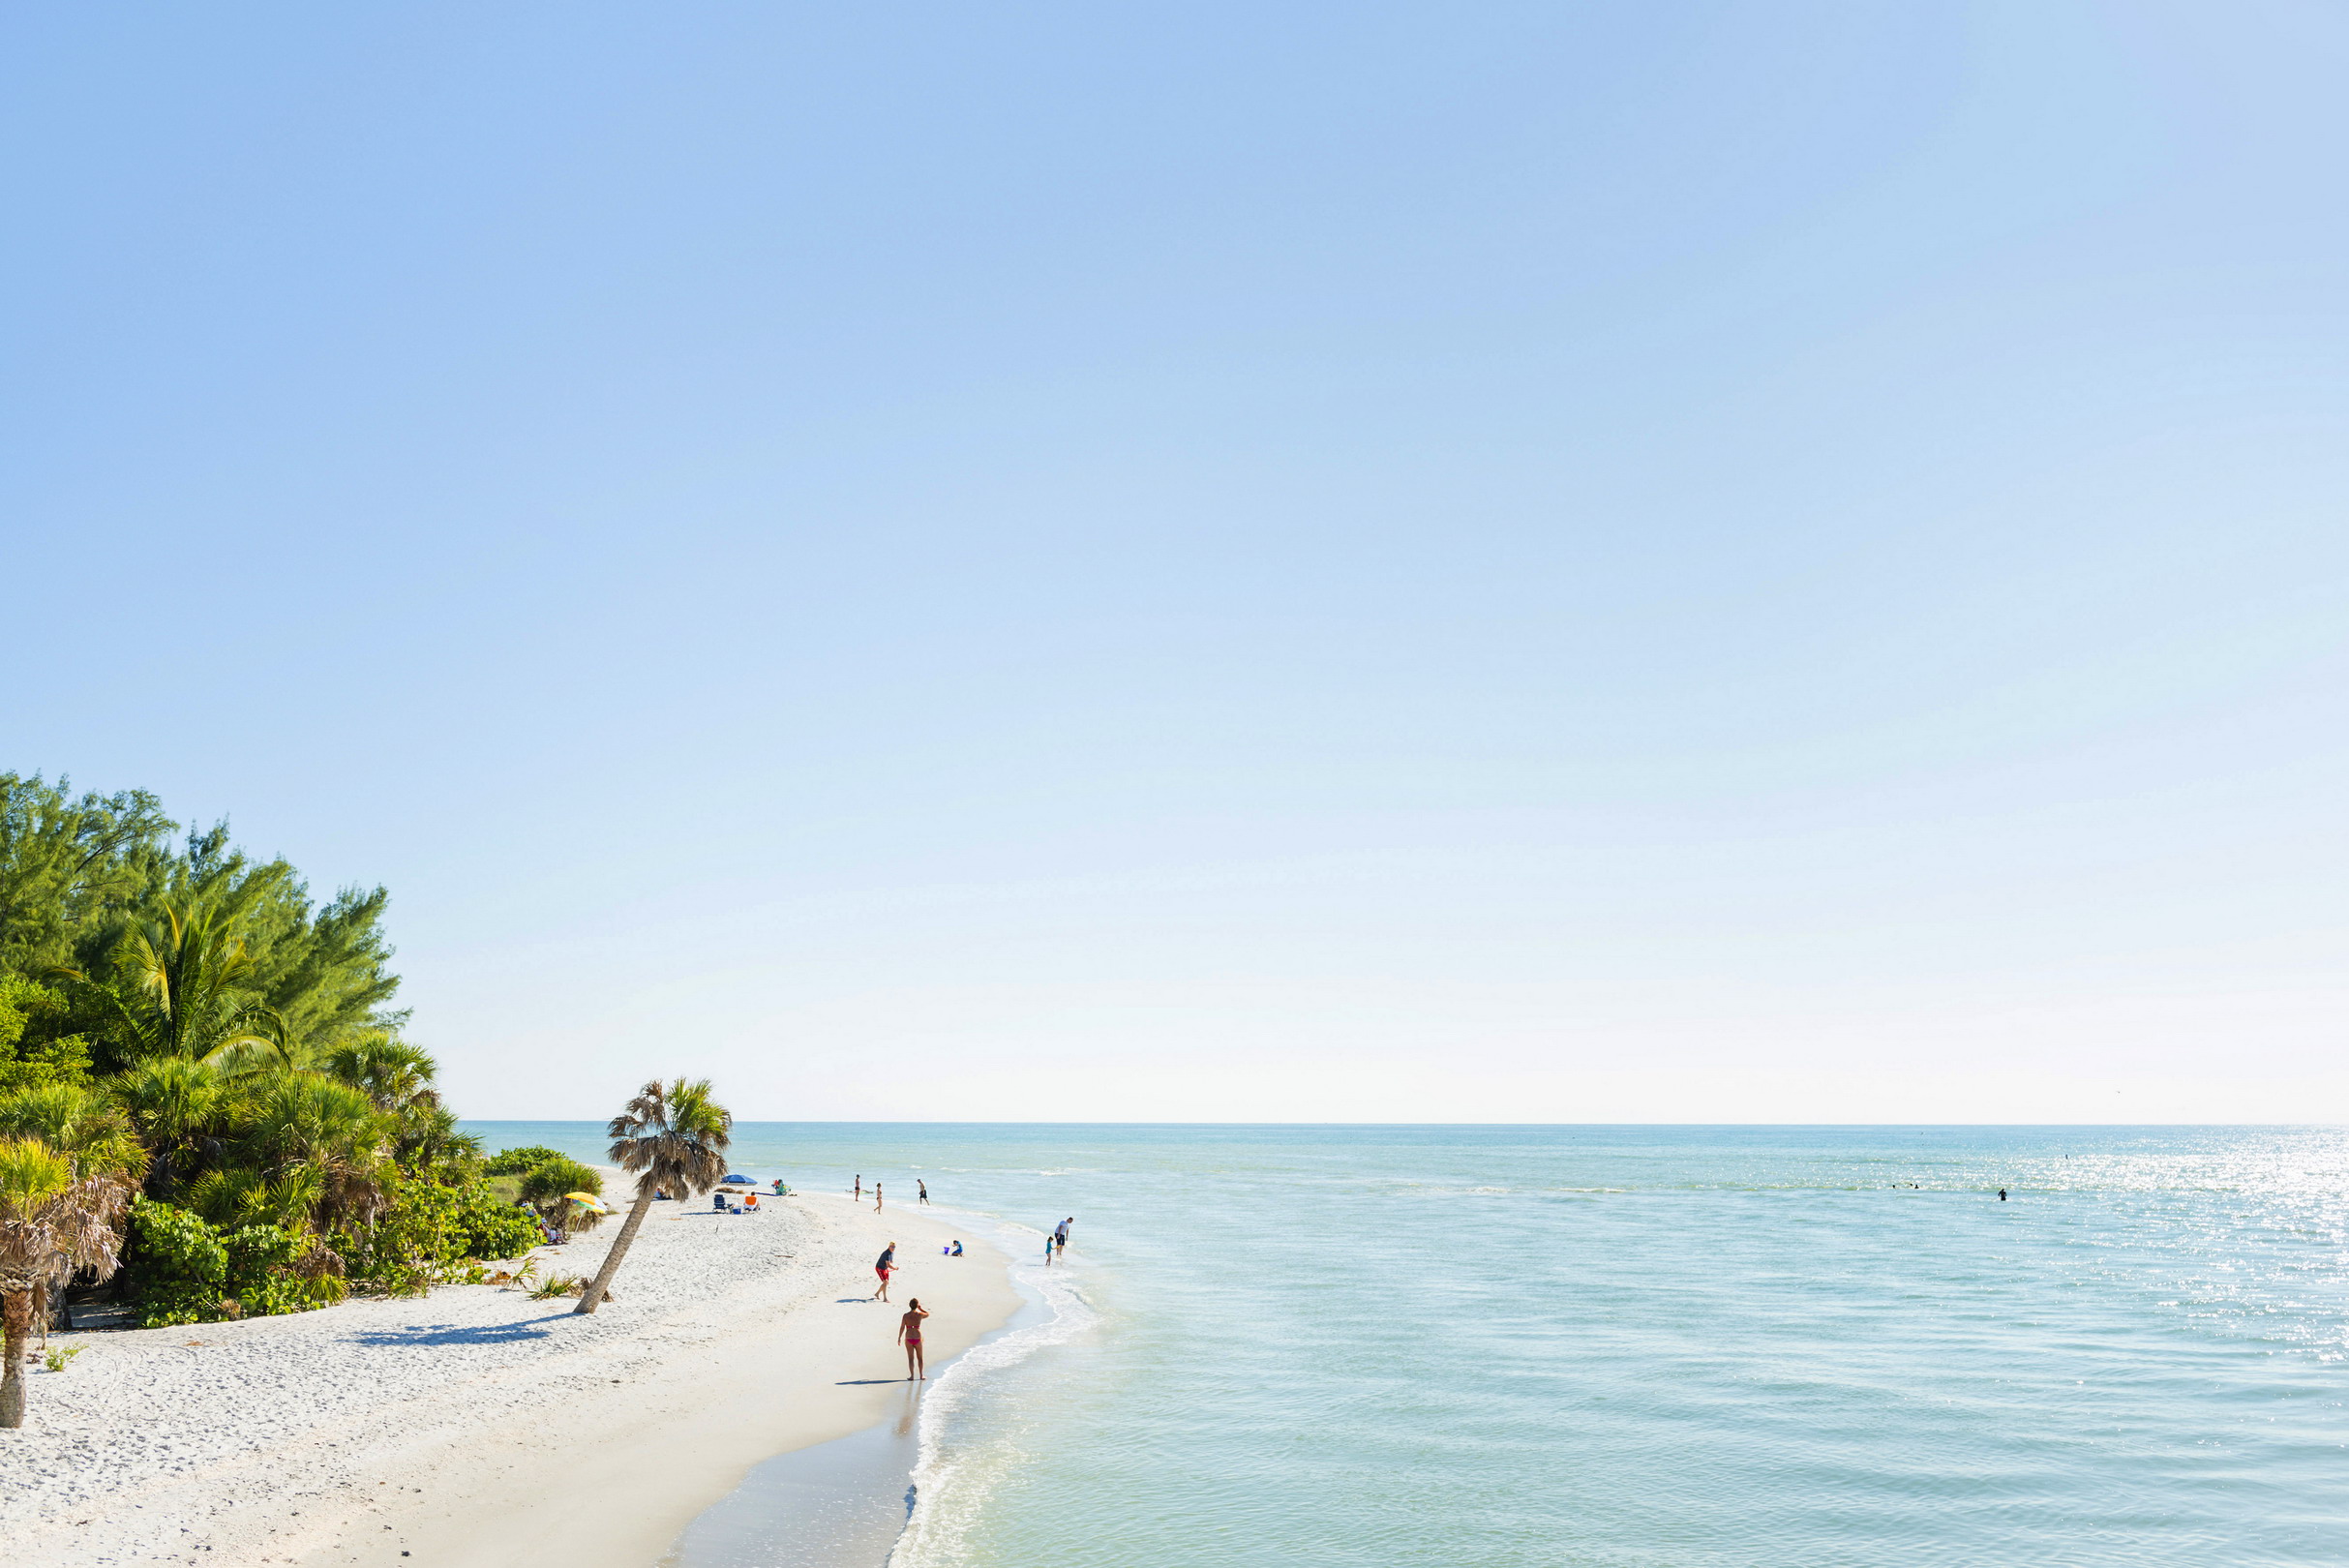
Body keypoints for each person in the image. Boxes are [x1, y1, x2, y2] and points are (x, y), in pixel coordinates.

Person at [898, 1297, 930, 1381]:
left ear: (909, 1305)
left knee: (910, 1358)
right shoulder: (919, 1314)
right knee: (920, 1358)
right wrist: (920, 1308)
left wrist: (899, 1337)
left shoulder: (905, 1316)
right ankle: (921, 1375)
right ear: (916, 1305)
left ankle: (912, 1376)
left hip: (908, 1337)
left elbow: (902, 1327)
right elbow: (928, 1314)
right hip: (917, 1337)